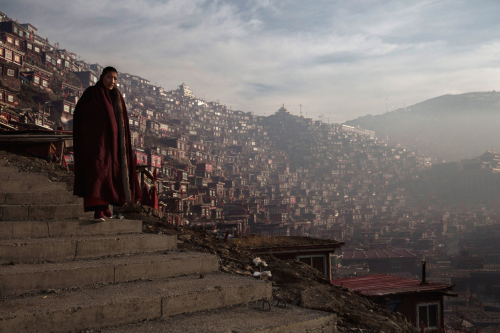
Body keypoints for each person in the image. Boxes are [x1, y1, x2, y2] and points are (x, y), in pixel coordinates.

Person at [73, 67, 139, 221]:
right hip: (96, 143)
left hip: (113, 145)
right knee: (98, 174)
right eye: (109, 77)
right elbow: (82, 115)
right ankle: (98, 210)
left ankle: (105, 207)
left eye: (115, 79)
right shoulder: (92, 93)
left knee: (111, 175)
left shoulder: (116, 97)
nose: (112, 81)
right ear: (102, 77)